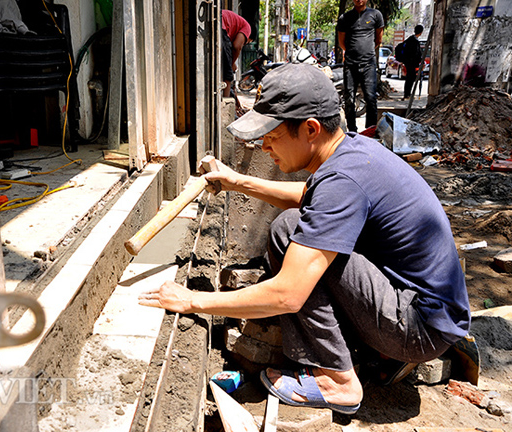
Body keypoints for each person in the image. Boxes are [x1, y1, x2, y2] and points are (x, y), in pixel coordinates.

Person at [139, 63, 470, 414]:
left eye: (272, 134)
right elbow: (311, 198)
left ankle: (339, 381)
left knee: (288, 232)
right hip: (428, 312)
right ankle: (366, 350)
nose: (264, 146)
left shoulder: (343, 179)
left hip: (417, 329)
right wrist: (238, 181)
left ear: (310, 129)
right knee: (296, 224)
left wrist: (192, 300)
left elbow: (287, 295)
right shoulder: (352, 153)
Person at [337, 0, 384, 132]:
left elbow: (378, 39)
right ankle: (352, 130)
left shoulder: (375, 15)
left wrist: (366, 52)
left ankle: (370, 131)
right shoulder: (345, 18)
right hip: (350, 64)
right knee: (349, 98)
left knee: (370, 98)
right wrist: (353, 53)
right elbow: (342, 43)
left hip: (368, 63)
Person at [221, 10, 252, 97]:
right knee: (228, 74)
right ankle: (226, 105)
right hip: (221, 27)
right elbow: (237, 46)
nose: (245, 43)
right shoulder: (247, 28)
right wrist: (232, 64)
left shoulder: (236, 23)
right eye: (247, 42)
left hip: (218, 20)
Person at [403, 25, 424, 99]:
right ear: (421, 32)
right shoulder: (414, 41)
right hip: (411, 62)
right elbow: (416, 53)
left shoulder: (410, 39)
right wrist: (420, 62)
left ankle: (407, 93)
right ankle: (407, 94)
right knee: (410, 78)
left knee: (410, 78)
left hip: (408, 62)